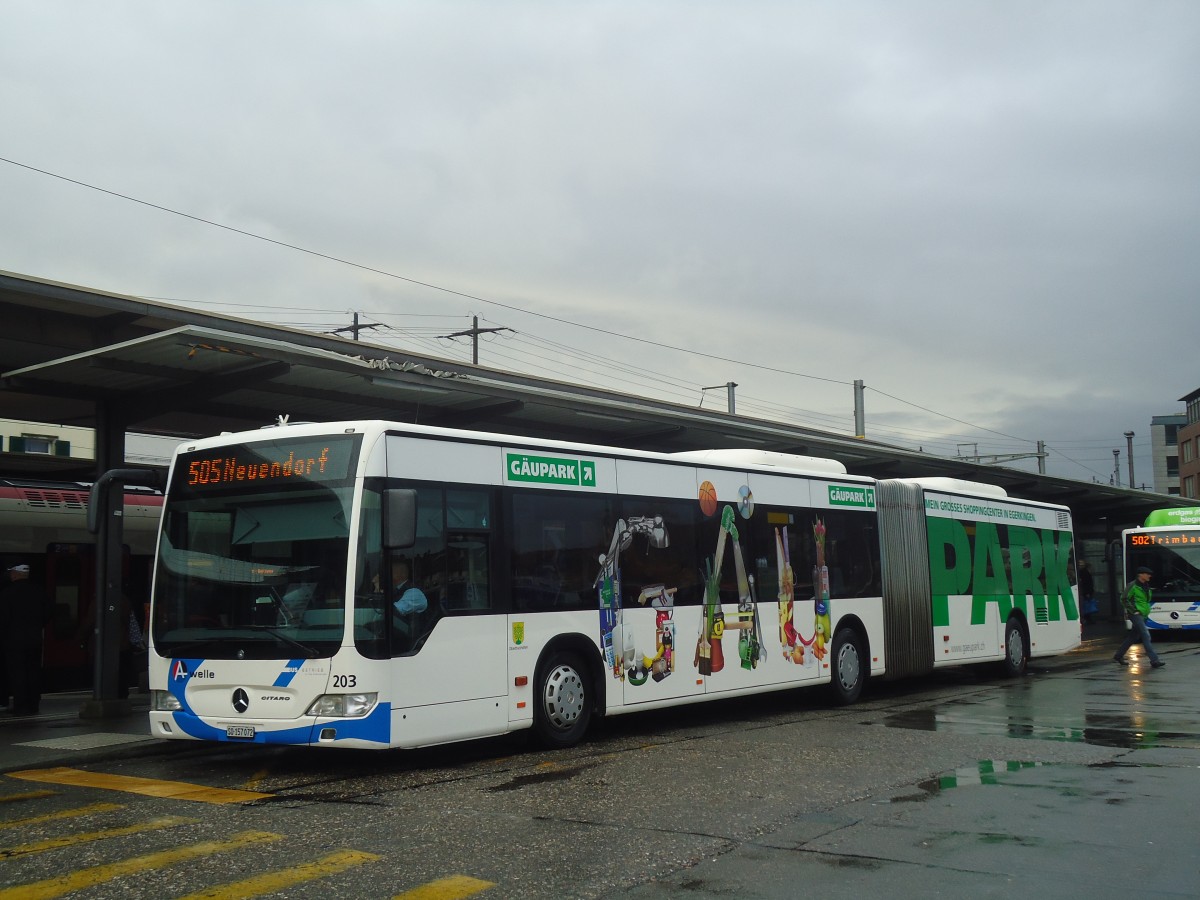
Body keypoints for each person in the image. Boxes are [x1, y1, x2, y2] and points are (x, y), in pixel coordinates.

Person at [2, 564, 51, 715]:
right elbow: (49, 613)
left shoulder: (6, 593)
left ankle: (20, 706)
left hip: (14, 641)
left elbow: (3, 619)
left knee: (18, 674)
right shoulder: (39, 592)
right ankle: (33, 704)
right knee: (33, 672)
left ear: (15, 574)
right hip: (35, 640)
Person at [1113, 566, 1164, 668]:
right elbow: (1123, 599)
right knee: (1146, 635)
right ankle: (1154, 660)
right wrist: (1133, 610)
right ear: (1141, 574)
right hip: (1136, 615)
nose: (1149, 576)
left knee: (1133, 637)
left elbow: (1145, 601)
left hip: (1143, 614)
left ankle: (1118, 656)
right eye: (1147, 574)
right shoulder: (1132, 585)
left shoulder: (1146, 585)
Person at [1077, 560, 1097, 624]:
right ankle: (1088, 619)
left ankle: (1088, 619)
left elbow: (1087, 583)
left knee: (1085, 606)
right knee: (1086, 606)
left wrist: (1087, 592)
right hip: (1087, 592)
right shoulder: (1085, 572)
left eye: (1081, 564)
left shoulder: (1083, 572)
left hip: (1086, 592)